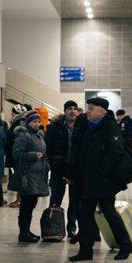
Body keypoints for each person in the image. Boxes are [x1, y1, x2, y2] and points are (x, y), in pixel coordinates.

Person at [68, 98, 132, 262]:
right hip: (86, 179)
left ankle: (125, 245)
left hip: (102, 180)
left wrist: (101, 171)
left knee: (109, 213)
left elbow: (116, 152)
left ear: (102, 111)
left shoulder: (110, 126)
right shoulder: (86, 126)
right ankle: (85, 250)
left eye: (91, 108)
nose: (88, 111)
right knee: (85, 215)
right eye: (87, 108)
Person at [9, 111, 50, 242]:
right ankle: (23, 233)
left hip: (37, 174)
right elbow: (16, 153)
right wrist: (32, 155)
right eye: (34, 122)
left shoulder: (38, 135)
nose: (37, 124)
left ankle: (27, 231)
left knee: (31, 203)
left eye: (38, 122)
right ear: (28, 123)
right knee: (26, 204)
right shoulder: (24, 135)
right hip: (27, 174)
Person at [45, 101, 80, 238]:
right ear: (64, 111)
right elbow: (48, 148)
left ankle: (71, 228)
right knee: (55, 199)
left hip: (75, 170)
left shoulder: (80, 128)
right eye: (70, 109)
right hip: (58, 168)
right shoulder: (55, 128)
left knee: (75, 201)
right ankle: (53, 227)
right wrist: (52, 163)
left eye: (75, 109)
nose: (73, 111)